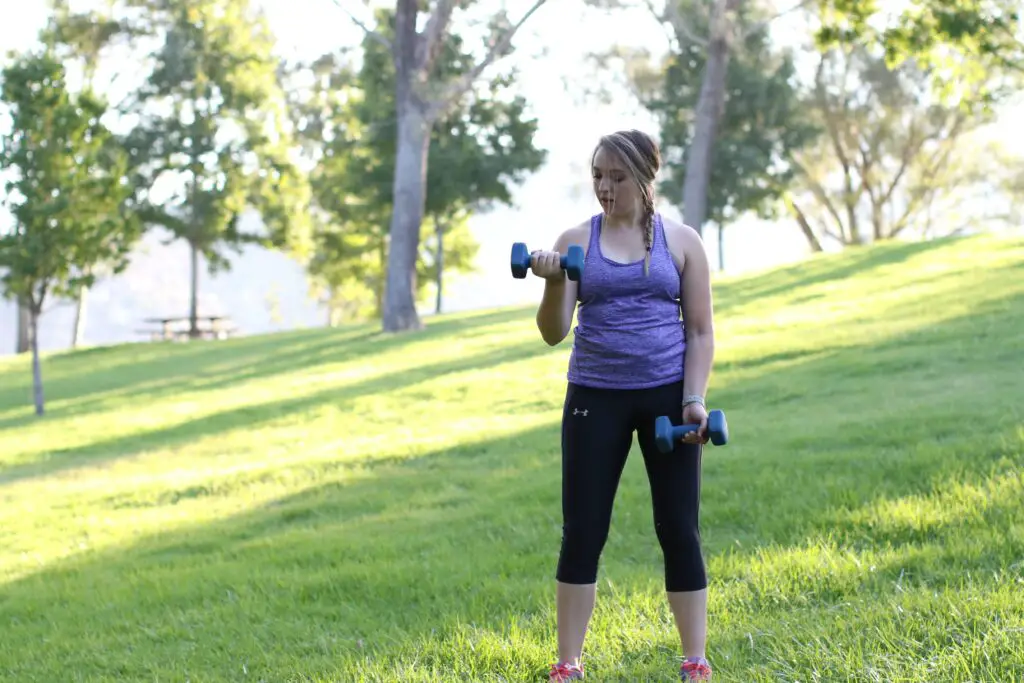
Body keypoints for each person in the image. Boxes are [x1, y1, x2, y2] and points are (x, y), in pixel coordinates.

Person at [529, 129, 716, 682]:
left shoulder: (682, 242)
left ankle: (695, 660)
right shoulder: (575, 240)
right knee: (583, 529)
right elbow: (553, 332)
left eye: (616, 177)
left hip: (666, 397)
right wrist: (554, 280)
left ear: (645, 178)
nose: (604, 188)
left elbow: (701, 332)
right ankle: (568, 664)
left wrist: (694, 400)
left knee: (679, 527)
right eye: (597, 176)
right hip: (594, 397)